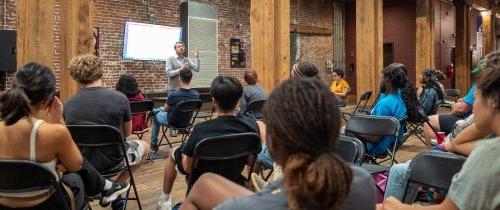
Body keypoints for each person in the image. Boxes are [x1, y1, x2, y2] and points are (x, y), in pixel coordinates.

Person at [179, 78, 376, 210]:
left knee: (202, 184)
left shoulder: (240, 208)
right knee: (206, 183)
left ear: (272, 143)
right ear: (335, 132)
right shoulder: (362, 182)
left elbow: (187, 167)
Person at [379, 51, 500, 210]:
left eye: (477, 94)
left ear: (493, 100)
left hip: (445, 156)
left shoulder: (489, 154)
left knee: (395, 178)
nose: (472, 99)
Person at [0, 63, 129, 210]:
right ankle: (106, 187)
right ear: (45, 101)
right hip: (45, 205)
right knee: (75, 178)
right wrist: (59, 123)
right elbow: (76, 165)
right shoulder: (54, 133)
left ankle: (107, 186)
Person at [157, 76, 265, 210]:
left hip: (203, 185)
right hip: (235, 182)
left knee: (172, 152)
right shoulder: (251, 128)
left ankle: (165, 199)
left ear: (213, 100)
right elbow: (251, 161)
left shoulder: (201, 129)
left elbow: (187, 168)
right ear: (238, 101)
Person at [63, 54, 150, 208]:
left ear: (75, 77)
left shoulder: (67, 105)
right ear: (100, 71)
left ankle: (109, 187)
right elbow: (127, 133)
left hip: (84, 165)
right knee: (145, 145)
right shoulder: (120, 99)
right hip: (114, 162)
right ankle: (115, 186)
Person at [360, 63, 419, 156]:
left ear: (387, 80)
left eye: (381, 78)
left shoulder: (385, 105)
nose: (379, 81)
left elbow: (375, 138)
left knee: (343, 138)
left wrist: (354, 129)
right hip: (391, 143)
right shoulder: (398, 99)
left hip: (377, 147)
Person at [423, 60, 484, 138]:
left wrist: (450, 113)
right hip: (473, 119)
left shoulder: (480, 85)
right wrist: (465, 99)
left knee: (428, 122)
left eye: (479, 72)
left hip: (471, 121)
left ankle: (438, 148)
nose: (477, 75)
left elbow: (461, 109)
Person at [150, 68, 200, 150]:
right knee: (160, 110)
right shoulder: (196, 95)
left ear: (179, 78)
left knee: (155, 115)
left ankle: (154, 143)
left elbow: (165, 109)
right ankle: (155, 110)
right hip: (186, 122)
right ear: (190, 79)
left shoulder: (174, 95)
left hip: (173, 122)